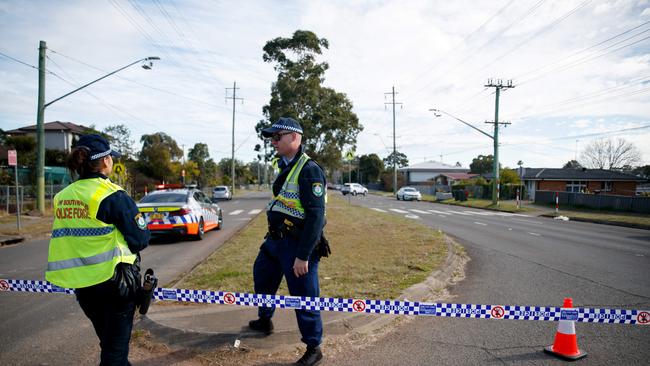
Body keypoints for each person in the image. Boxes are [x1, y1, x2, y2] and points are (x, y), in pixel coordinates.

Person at [45, 134, 150, 365]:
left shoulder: (62, 197)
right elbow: (140, 239)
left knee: (111, 346)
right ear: (104, 161)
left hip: (83, 287)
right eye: (111, 157)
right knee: (114, 353)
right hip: (115, 285)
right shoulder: (112, 195)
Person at [249, 117, 327, 366]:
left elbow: (316, 217)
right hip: (275, 241)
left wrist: (303, 255)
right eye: (271, 137)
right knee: (262, 275)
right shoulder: (285, 165)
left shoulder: (309, 170)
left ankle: (314, 347)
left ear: (294, 137)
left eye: (277, 137)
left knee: (304, 296)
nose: (273, 142)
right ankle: (265, 319)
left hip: (297, 245)